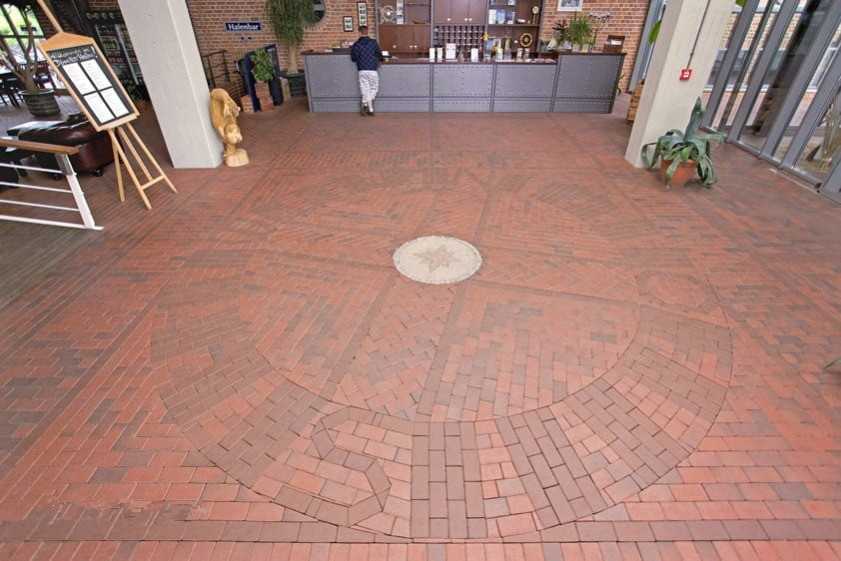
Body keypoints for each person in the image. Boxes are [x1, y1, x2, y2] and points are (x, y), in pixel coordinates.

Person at [350, 26, 383, 116]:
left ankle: (366, 105)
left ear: (359, 32)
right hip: (372, 69)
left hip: (361, 70)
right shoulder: (373, 42)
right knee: (374, 88)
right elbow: (379, 55)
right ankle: (368, 107)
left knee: (365, 89)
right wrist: (380, 60)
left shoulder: (356, 44)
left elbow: (353, 58)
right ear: (367, 32)